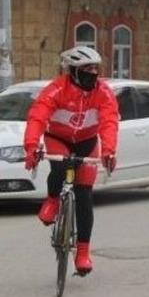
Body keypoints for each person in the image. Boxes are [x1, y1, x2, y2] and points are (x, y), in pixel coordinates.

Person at [23, 46, 119, 275]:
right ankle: (53, 200)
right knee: (60, 165)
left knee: (84, 194)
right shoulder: (56, 89)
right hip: (58, 138)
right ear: (74, 71)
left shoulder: (103, 92)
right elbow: (37, 117)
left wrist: (109, 151)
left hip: (87, 141)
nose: (93, 73)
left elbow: (109, 122)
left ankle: (83, 252)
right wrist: (31, 147)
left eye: (96, 69)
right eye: (87, 69)